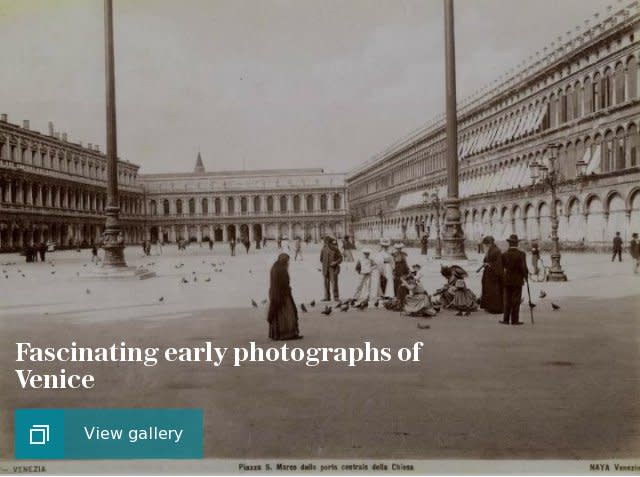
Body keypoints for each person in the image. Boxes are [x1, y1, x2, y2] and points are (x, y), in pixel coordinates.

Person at [267, 253, 302, 340]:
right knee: (288, 314)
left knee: (278, 315)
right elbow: (284, 283)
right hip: (282, 295)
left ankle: (278, 334)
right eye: (287, 261)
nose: (288, 263)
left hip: (276, 294)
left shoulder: (275, 267)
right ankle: (287, 334)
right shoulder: (281, 269)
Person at [500, 234, 529, 326]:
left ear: (509, 243)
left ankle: (505, 319)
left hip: (507, 280)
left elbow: (502, 267)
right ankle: (514, 320)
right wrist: (526, 277)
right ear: (517, 244)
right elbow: (523, 267)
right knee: (516, 300)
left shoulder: (504, 254)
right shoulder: (521, 254)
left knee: (506, 300)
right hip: (517, 280)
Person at [480, 235, 504, 314]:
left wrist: (489, 265)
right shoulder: (491, 250)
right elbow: (486, 260)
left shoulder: (496, 251)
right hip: (489, 274)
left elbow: (498, 264)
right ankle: (489, 306)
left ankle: (495, 308)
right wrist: (486, 263)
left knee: (494, 291)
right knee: (488, 290)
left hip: (494, 275)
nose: (485, 246)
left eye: (486, 244)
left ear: (489, 244)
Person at [320, 236, 343, 301]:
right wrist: (325, 264)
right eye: (325, 242)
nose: (325, 243)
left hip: (333, 269)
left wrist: (335, 262)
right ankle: (327, 297)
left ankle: (336, 297)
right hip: (325, 268)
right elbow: (321, 259)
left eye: (326, 242)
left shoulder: (335, 249)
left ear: (329, 242)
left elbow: (341, 258)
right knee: (326, 283)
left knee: (334, 283)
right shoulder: (323, 249)